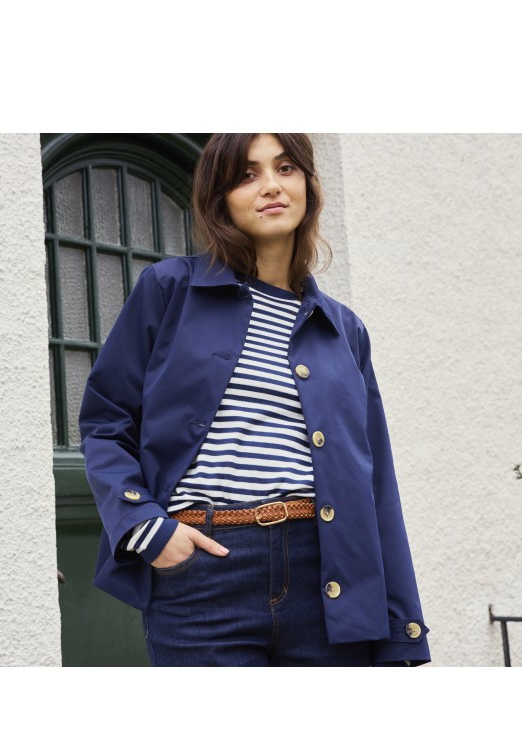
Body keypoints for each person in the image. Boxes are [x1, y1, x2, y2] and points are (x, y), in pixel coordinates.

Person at [78, 133, 430, 667]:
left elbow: (376, 478)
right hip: (205, 569)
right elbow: (107, 421)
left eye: (285, 168)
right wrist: (147, 527)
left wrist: (402, 627)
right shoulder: (170, 289)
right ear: (220, 198)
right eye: (247, 175)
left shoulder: (344, 329)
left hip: (329, 575)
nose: (270, 186)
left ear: (308, 186)